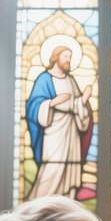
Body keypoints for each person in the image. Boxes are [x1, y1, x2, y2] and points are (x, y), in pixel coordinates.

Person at [26, 43, 93, 199]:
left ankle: (67, 203)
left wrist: (82, 101)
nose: (68, 60)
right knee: (52, 168)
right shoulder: (44, 79)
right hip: (54, 130)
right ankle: (37, 203)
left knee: (70, 172)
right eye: (66, 56)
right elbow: (33, 106)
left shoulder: (70, 80)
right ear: (56, 57)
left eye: (70, 57)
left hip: (71, 130)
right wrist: (53, 102)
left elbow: (76, 106)